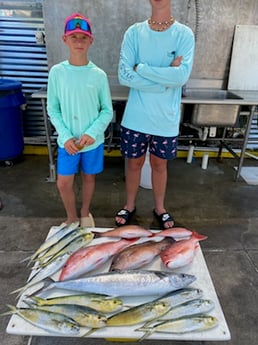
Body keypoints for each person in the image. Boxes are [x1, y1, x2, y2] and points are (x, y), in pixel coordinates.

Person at [115, 0, 195, 229]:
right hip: (136, 117)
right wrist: (164, 81)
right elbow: (123, 75)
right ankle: (129, 205)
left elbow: (181, 77)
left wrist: (142, 68)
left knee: (160, 165)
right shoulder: (134, 33)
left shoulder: (183, 35)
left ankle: (160, 208)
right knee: (133, 164)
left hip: (165, 120)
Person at [47, 13, 113, 228]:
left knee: (89, 177)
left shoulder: (98, 75)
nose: (78, 42)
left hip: (91, 141)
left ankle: (85, 212)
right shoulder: (57, 72)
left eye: (83, 37)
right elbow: (53, 109)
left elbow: (106, 111)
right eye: (73, 37)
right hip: (68, 142)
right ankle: (71, 217)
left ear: (91, 41)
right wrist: (65, 137)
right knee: (64, 182)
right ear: (64, 39)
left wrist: (91, 133)